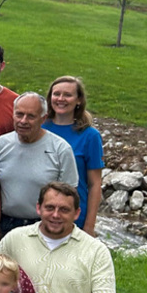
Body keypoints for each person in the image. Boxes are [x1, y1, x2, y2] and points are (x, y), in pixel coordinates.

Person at [0, 93, 78, 233]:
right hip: (4, 224)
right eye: (19, 114)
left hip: (43, 225)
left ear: (43, 118)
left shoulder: (60, 149)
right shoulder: (0, 144)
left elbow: (69, 196)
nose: (23, 121)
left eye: (31, 116)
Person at [43, 76, 104, 235]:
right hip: (41, 212)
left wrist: (89, 225)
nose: (61, 99)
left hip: (74, 214)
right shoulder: (39, 128)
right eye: (56, 94)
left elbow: (95, 184)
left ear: (78, 100)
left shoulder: (90, 136)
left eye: (67, 95)